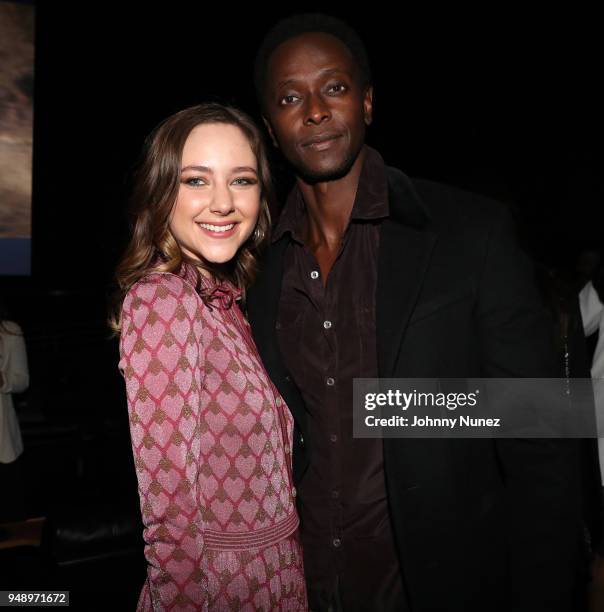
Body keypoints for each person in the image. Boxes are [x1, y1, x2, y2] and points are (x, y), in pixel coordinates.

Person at [246, 13, 582, 612]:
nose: (316, 110)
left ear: (368, 103)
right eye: (291, 97)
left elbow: (542, 446)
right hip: (303, 589)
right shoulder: (259, 268)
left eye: (335, 87)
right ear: (272, 129)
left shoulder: (469, 234)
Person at [113, 103, 307, 611]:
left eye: (241, 181)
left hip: (276, 579)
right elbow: (169, 513)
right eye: (196, 181)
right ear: (161, 192)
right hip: (219, 591)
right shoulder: (162, 300)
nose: (222, 202)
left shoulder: (226, 303)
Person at [0, 300, 29, 523]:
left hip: (3, 440)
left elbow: (22, 381)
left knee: (10, 516)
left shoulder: (10, 332)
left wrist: (3, 379)